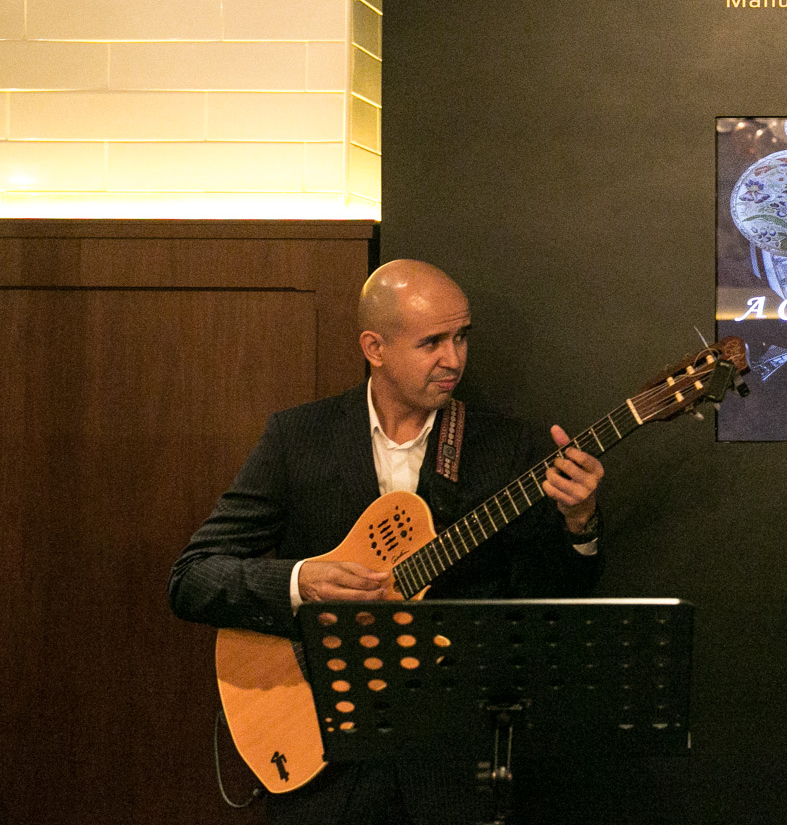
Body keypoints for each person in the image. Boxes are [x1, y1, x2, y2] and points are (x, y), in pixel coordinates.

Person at [169, 259, 605, 824]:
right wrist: (302, 582)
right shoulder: (298, 438)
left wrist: (579, 522)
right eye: (432, 342)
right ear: (374, 347)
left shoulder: (508, 448)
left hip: (449, 766)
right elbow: (193, 577)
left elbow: (552, 599)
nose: (454, 359)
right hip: (324, 760)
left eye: (461, 337)